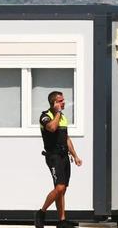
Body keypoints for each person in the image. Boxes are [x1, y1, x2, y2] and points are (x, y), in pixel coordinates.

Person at [35, 91, 82, 228]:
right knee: (59, 187)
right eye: (60, 101)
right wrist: (57, 113)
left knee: (63, 189)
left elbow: (66, 138)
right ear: (53, 103)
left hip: (64, 156)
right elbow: (51, 128)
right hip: (53, 156)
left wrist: (75, 155)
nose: (64, 102)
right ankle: (41, 212)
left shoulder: (62, 117)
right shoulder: (45, 116)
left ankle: (62, 221)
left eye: (63, 100)